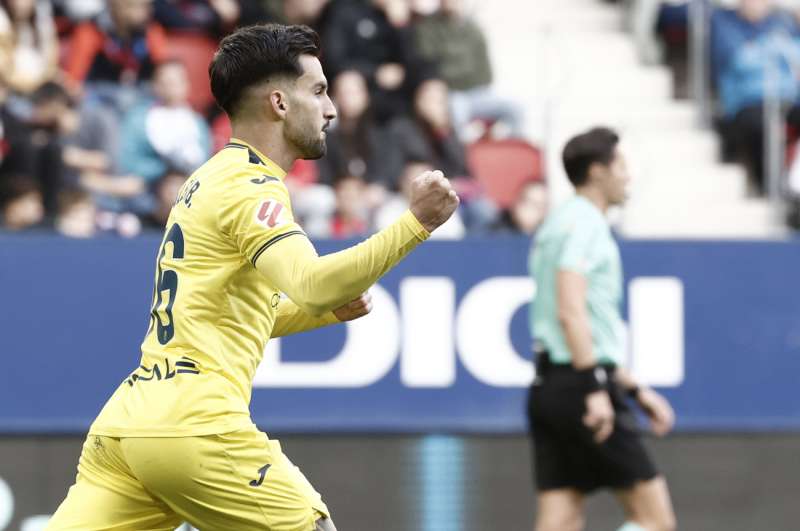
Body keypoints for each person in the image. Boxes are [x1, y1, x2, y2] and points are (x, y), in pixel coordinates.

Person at [46, 23, 459, 531]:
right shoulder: (251, 189)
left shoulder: (208, 178)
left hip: (129, 425)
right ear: (280, 103)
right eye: (320, 91)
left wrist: (322, 313)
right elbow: (311, 282)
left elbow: (225, 314)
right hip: (195, 425)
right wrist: (416, 223)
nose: (331, 109)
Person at [527, 127, 676, 531]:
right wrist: (595, 387)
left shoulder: (557, 223)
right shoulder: (585, 224)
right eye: (621, 166)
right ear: (597, 172)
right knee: (655, 521)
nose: (628, 176)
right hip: (582, 388)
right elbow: (571, 310)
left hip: (550, 385)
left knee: (561, 517)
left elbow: (582, 323)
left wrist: (633, 388)